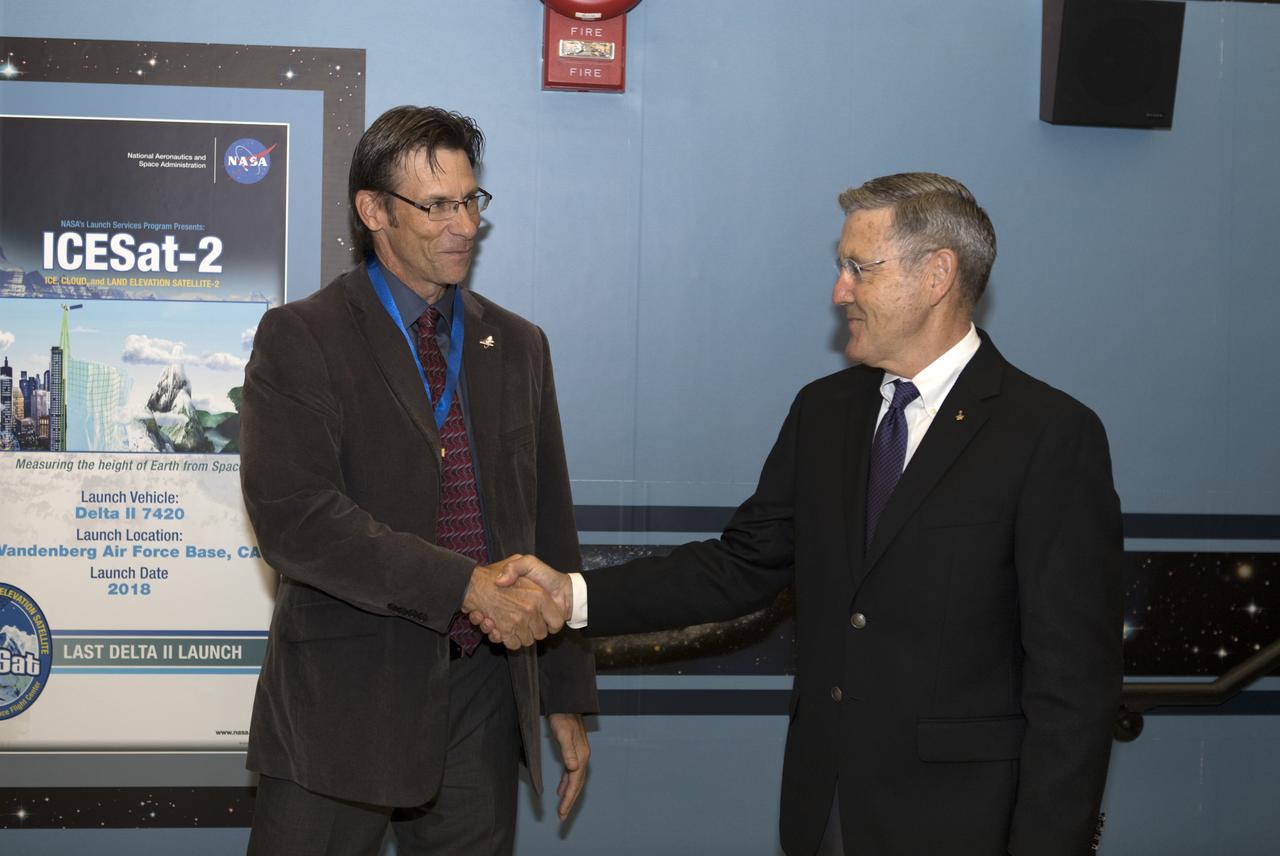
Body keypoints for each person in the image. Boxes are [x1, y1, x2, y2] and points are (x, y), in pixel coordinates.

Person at [484, 173, 1124, 855]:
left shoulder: (1048, 435)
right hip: (826, 810)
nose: (838, 290)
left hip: (964, 821)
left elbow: (1074, 689)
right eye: (839, 267)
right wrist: (572, 593)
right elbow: (738, 567)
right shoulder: (825, 412)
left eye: (859, 268)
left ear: (938, 273)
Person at [239, 105, 597, 856]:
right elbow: (296, 520)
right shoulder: (303, 337)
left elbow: (548, 521)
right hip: (346, 699)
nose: (463, 223)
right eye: (436, 205)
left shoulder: (519, 345)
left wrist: (563, 692)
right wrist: (464, 586)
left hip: (482, 694)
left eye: (471, 200)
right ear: (374, 210)